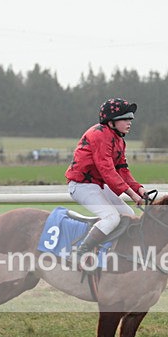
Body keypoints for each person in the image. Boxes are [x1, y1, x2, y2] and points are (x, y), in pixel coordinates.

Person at [65, 98, 146, 259]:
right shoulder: (99, 135)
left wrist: (139, 189)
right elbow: (107, 170)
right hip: (81, 186)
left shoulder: (119, 141)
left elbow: (122, 170)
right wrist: (132, 194)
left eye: (130, 118)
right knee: (112, 218)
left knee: (128, 215)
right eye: (125, 118)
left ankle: (117, 253)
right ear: (110, 122)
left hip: (98, 185)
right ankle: (79, 253)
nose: (130, 122)